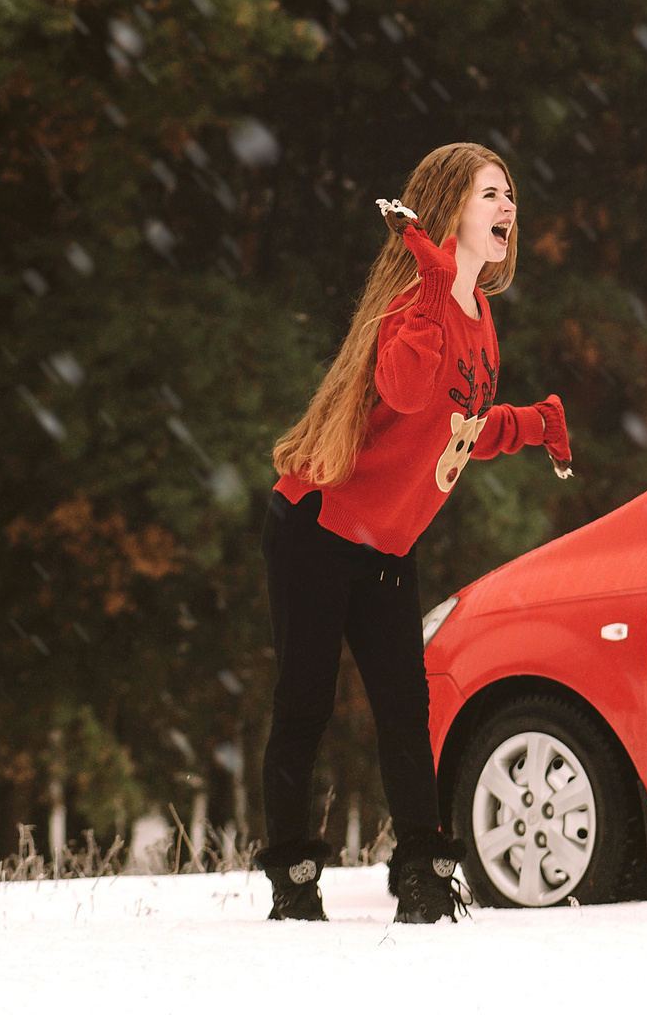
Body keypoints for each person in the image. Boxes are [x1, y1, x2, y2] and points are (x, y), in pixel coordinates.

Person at [255, 142, 572, 925]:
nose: (507, 208)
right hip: (318, 529)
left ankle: (424, 876)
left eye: (511, 196)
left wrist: (528, 424)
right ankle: (294, 882)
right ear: (448, 211)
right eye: (490, 193)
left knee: (406, 708)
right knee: (305, 703)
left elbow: (449, 425)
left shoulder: (479, 314)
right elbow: (404, 386)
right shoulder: (416, 306)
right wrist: (431, 287)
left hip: (388, 546)